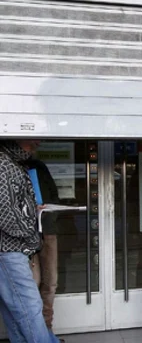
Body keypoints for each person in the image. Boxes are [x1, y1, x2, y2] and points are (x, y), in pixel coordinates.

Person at [0, 140, 61, 343]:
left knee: (17, 309)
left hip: (12, 247)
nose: (37, 143)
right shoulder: (3, 164)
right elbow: (4, 213)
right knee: (29, 306)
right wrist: (30, 234)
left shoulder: (14, 163)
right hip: (9, 248)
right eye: (32, 141)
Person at [21, 141, 62, 333]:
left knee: (50, 282)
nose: (35, 145)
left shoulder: (39, 166)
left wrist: (49, 211)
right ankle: (32, 332)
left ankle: (46, 331)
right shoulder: (10, 167)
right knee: (31, 284)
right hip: (22, 235)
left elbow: (54, 195)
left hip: (47, 230)